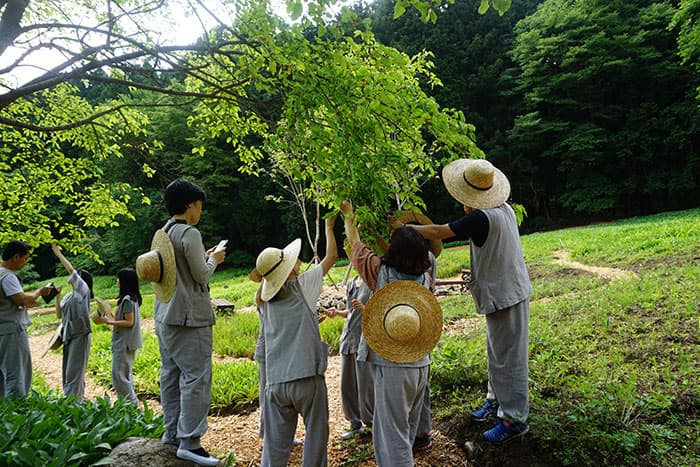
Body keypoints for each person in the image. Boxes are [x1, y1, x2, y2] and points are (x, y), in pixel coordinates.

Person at [391, 158, 532, 444]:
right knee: (498, 353)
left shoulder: (482, 218)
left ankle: (515, 419)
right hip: (501, 293)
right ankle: (496, 400)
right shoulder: (500, 207)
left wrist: (404, 228)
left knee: (510, 358)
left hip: (507, 295)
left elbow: (442, 231)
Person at [340, 200, 437, 467]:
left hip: (394, 366)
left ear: (393, 252)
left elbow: (355, 246)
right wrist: (401, 229)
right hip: (420, 363)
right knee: (404, 432)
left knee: (391, 437)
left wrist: (349, 217)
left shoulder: (380, 273)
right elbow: (412, 252)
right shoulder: (426, 276)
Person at [252, 215, 338, 467]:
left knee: (275, 447)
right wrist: (329, 227)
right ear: (288, 268)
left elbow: (282, 327)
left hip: (276, 382)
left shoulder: (262, 301)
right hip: (306, 378)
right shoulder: (303, 286)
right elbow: (331, 256)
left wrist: (309, 323)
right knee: (316, 436)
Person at [151, 179, 226, 467]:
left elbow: (178, 270)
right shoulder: (190, 233)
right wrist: (215, 259)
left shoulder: (164, 233)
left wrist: (204, 259)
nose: (200, 211)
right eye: (199, 205)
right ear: (189, 205)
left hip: (164, 315)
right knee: (196, 377)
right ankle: (191, 441)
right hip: (189, 318)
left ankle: (172, 433)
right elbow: (201, 276)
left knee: (170, 375)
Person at [0, 241, 53, 397]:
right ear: (16, 257)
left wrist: (27, 301)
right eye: (25, 259)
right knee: (16, 373)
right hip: (11, 331)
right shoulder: (7, 276)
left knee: (3, 376)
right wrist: (40, 292)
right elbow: (23, 299)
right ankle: (17, 413)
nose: (25, 262)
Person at [325, 274, 374, 440]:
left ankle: (372, 425)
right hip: (348, 338)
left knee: (366, 384)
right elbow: (350, 312)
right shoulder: (352, 282)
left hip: (365, 339)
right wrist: (337, 313)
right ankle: (355, 424)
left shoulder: (373, 280)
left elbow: (383, 310)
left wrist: (365, 308)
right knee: (347, 385)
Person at [52, 244, 94, 400]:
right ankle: (77, 401)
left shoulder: (83, 292)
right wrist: (57, 297)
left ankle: (73, 402)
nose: (74, 276)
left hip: (80, 335)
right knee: (68, 371)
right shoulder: (69, 297)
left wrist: (58, 254)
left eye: (78, 274)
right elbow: (58, 315)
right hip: (68, 336)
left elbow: (71, 271)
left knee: (74, 371)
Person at [98, 268, 142, 404]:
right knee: (124, 374)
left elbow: (130, 322)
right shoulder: (131, 299)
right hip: (126, 342)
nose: (117, 281)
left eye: (119, 279)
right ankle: (128, 405)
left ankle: (131, 405)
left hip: (124, 343)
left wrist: (109, 321)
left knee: (119, 376)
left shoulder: (127, 301)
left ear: (125, 282)